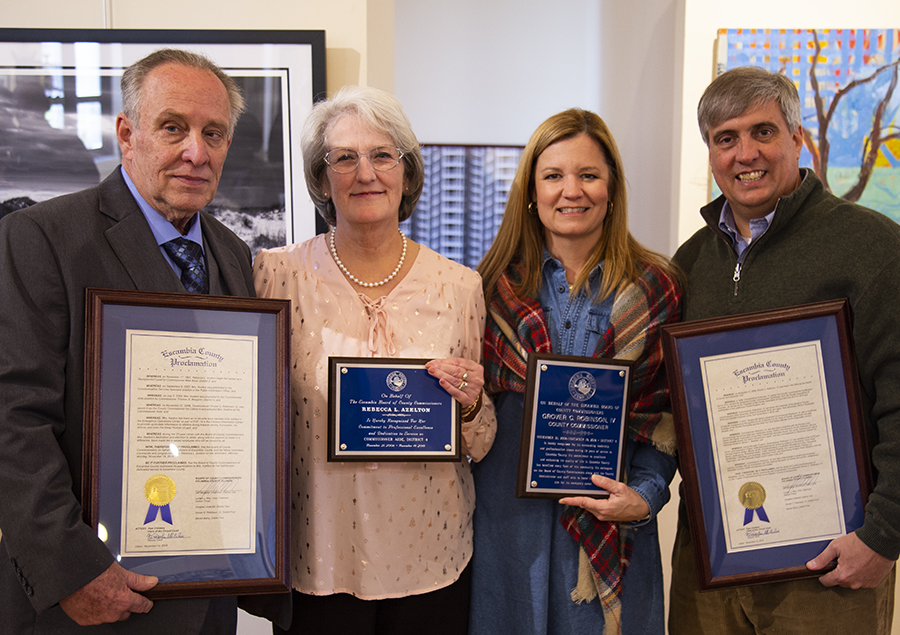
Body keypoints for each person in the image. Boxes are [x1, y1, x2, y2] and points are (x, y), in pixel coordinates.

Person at [0, 48, 284, 633]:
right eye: (173, 127)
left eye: (215, 133)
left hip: (208, 591)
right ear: (128, 134)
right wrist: (72, 571)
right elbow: (13, 419)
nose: (196, 152)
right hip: (89, 598)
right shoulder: (41, 238)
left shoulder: (231, 254)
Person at [252, 85, 497, 635]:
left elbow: (481, 441)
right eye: (344, 158)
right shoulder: (274, 275)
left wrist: (472, 403)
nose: (366, 173)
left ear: (407, 173)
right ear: (320, 178)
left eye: (383, 155)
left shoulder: (460, 287)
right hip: (317, 560)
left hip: (433, 560)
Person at [668, 65, 900, 635]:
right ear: (711, 153)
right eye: (726, 139)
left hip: (828, 566)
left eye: (763, 132)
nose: (746, 153)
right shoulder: (690, 262)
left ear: (798, 138)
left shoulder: (873, 246)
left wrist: (885, 535)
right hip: (712, 563)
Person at [470, 108, 681, 635]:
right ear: (530, 191)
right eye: (553, 176)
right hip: (506, 534)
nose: (572, 191)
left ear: (612, 189)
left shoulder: (659, 289)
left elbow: (668, 417)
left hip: (613, 530)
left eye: (589, 175)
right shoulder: (483, 288)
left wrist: (646, 497)